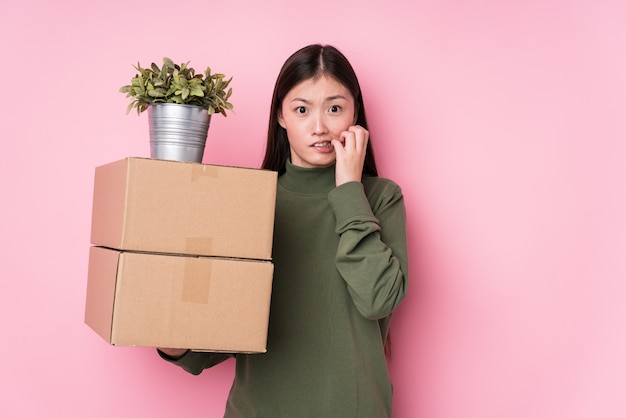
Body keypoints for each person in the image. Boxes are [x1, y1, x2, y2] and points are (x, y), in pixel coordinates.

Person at [158, 44, 409, 417]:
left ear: (355, 113)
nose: (320, 127)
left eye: (335, 108)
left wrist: (349, 192)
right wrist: (175, 342)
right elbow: (225, 327)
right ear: (281, 115)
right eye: (302, 109)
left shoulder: (381, 198)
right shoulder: (250, 199)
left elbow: (377, 300)